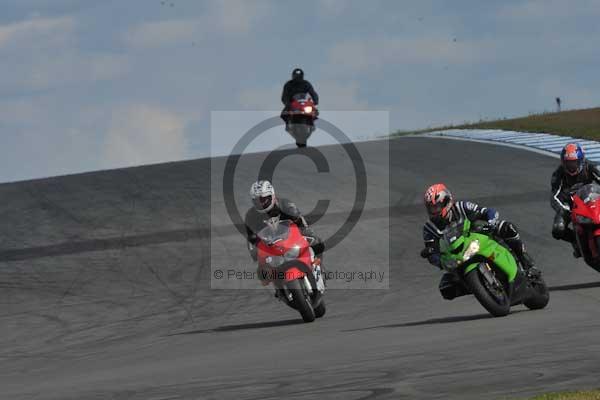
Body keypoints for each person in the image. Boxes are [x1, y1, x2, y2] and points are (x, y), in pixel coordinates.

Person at [420, 183, 537, 300]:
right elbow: (431, 251)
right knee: (446, 287)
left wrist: (491, 223)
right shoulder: (429, 228)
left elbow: (487, 212)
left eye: (436, 207)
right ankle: (479, 288)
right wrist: (438, 260)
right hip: (456, 256)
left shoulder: (461, 207)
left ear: (447, 201)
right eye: (430, 208)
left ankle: (526, 262)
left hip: (476, 239)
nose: (434, 211)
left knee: (507, 228)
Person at [245, 180, 325, 276]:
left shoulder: (285, 204)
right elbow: (250, 237)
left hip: (290, 235)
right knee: (262, 273)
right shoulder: (251, 215)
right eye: (257, 201)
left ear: (272, 196)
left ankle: (320, 267)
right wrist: (253, 251)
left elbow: (299, 220)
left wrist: (306, 231)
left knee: (317, 242)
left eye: (263, 200)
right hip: (270, 243)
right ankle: (280, 289)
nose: (261, 204)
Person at [551, 143, 600, 257]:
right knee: (558, 229)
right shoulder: (558, 174)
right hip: (569, 205)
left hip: (590, 199)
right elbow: (555, 196)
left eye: (574, 162)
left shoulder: (590, 168)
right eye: (568, 163)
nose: (571, 166)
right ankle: (576, 241)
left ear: (581, 160)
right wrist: (564, 209)